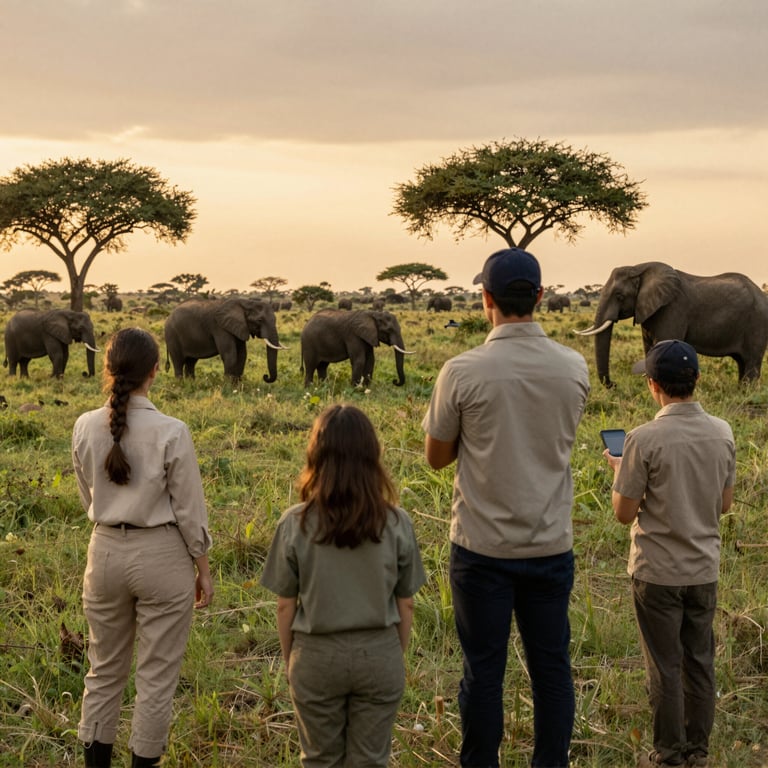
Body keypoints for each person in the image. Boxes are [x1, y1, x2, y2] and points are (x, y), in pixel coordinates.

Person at [422, 247, 590, 768]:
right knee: (552, 670)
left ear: (485, 299)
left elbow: (436, 458)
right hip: (549, 543)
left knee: (483, 672)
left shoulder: (461, 371)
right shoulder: (574, 367)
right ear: (540, 296)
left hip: (482, 547)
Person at [72, 328, 213, 768]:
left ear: (108, 369)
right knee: (155, 678)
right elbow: (189, 510)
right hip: (162, 556)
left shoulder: (83, 425)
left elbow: (87, 495)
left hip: (104, 552)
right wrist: (203, 567)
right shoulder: (173, 431)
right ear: (155, 370)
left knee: (102, 671)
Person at [261, 403, 426, 768]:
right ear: (372, 457)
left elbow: (285, 606)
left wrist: (292, 661)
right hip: (379, 653)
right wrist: (391, 655)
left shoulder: (294, 523)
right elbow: (407, 603)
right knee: (371, 761)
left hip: (315, 656)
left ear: (315, 456)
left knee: (319, 760)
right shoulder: (397, 522)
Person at [603, 340, 735, 768]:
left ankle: (669, 755)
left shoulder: (642, 439)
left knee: (664, 667)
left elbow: (623, 513)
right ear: (698, 378)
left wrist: (621, 472)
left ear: (652, 385)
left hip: (657, 572)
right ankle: (698, 751)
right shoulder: (723, 432)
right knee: (700, 661)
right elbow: (725, 504)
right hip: (703, 569)